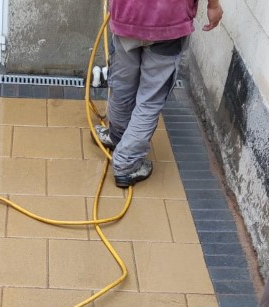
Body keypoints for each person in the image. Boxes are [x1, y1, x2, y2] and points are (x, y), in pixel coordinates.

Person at [95, 0, 224, 187]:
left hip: (127, 15)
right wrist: (213, 6)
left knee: (123, 85)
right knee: (150, 98)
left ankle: (118, 136)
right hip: (168, 22)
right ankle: (127, 163)